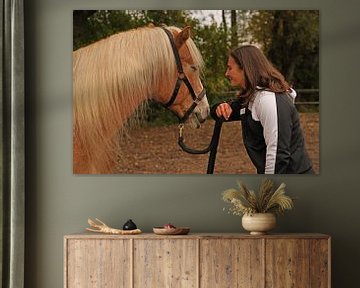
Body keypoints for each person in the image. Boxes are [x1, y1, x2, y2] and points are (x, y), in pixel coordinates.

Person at [211, 45, 314, 174]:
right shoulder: (251, 98)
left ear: (245, 68)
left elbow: (277, 154)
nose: (226, 73)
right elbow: (219, 112)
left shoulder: (268, 100)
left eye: (230, 68)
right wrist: (220, 108)